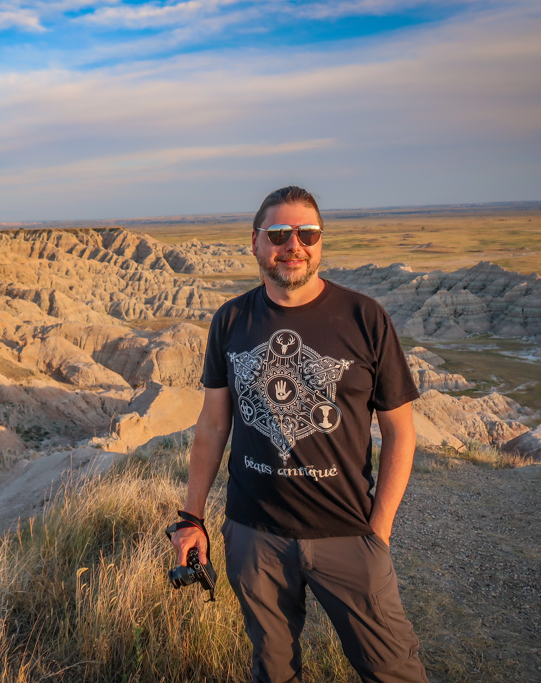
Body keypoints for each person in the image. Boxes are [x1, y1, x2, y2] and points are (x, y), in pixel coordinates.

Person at [171, 186, 428, 683]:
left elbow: (400, 432)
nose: (294, 245)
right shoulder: (231, 320)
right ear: (255, 242)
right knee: (272, 669)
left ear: (321, 242)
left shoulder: (364, 317)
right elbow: (212, 425)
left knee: (393, 670)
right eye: (279, 234)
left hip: (348, 534)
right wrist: (191, 517)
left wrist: (379, 531)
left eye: (307, 233)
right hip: (254, 535)